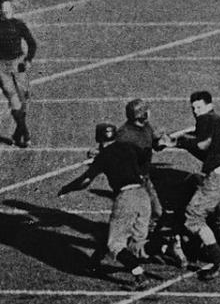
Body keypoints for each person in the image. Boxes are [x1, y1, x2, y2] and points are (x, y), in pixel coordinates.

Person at [58, 123, 152, 290]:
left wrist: (67, 188)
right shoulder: (128, 147)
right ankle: (96, 262)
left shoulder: (103, 156)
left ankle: (139, 275)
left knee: (115, 243)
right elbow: (144, 155)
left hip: (126, 197)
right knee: (132, 239)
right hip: (143, 195)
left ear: (98, 139)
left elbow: (85, 181)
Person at [168, 91, 220, 280]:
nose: (195, 111)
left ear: (209, 105)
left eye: (199, 107)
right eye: (193, 107)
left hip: (219, 176)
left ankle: (219, 260)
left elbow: (202, 145)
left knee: (193, 216)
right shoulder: (219, 121)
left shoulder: (205, 119)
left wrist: (179, 141)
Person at [116, 98, 167, 221]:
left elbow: (154, 146)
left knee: (156, 212)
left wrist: (161, 141)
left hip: (144, 177)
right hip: (133, 181)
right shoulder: (125, 135)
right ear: (143, 114)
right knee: (144, 213)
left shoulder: (146, 126)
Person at [0, 0, 36, 148]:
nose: (7, 11)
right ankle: (25, 133)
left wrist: (28, 60)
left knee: (24, 100)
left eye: (9, 8)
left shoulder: (19, 25)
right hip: (2, 67)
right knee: (14, 100)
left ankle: (18, 132)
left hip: (18, 64)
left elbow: (31, 43)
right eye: (3, 9)